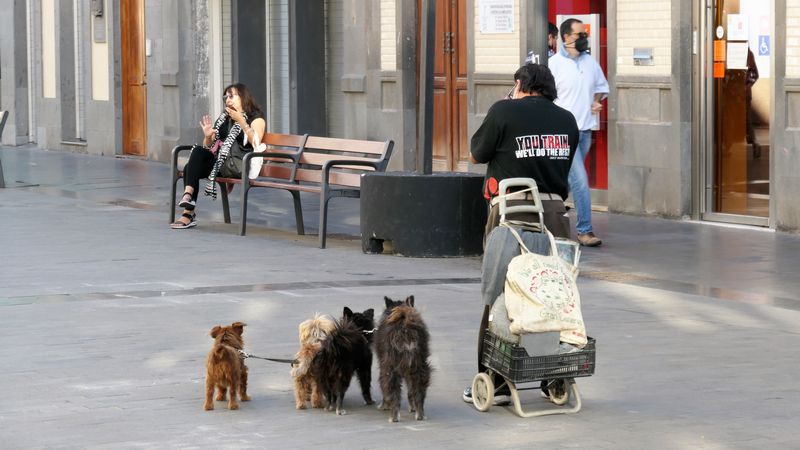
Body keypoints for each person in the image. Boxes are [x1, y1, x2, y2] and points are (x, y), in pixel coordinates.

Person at [464, 63, 578, 406]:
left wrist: (506, 104)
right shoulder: (567, 120)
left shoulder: (504, 111)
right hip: (555, 216)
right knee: (553, 296)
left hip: (512, 216)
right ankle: (553, 374)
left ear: (519, 84)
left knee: (499, 294)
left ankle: (496, 380)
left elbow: (474, 154)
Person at [171, 83, 266, 229]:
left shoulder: (256, 118)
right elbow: (208, 147)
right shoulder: (225, 119)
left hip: (240, 165)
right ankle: (188, 197)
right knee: (195, 156)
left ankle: (187, 214)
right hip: (221, 164)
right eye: (225, 97)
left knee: (190, 167)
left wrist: (241, 121)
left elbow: (256, 142)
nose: (227, 100)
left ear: (243, 97)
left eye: (231, 96)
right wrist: (208, 136)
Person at [549, 18, 609, 247]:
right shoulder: (553, 64)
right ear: (566, 37)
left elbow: (601, 88)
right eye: (579, 34)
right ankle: (585, 231)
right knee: (581, 181)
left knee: (565, 179)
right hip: (563, 134)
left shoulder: (590, 62)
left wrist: (596, 102)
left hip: (584, 132)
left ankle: (550, 216)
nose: (584, 37)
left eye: (584, 34)